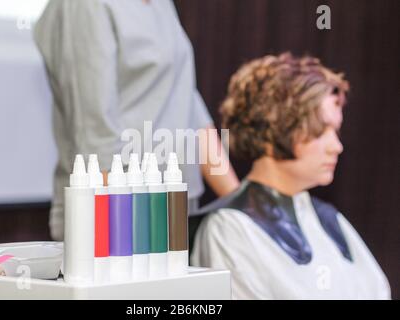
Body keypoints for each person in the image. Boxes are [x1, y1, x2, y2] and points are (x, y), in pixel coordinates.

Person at [34, 0, 239, 240]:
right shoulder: (85, 6)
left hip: (171, 206)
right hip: (120, 217)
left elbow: (188, 105)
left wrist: (243, 204)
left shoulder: (161, 4)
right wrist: (121, 235)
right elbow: (95, 136)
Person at [191, 53, 391, 299]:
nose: (336, 146)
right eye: (320, 131)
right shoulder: (230, 228)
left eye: (335, 131)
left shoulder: (328, 219)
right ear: (275, 129)